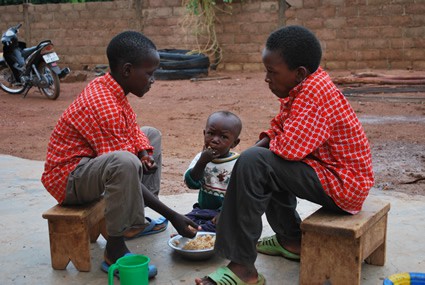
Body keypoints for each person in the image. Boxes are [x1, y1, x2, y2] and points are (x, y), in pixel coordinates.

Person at [195, 25, 374, 285]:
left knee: (258, 164)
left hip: (344, 185)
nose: (267, 79)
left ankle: (243, 269)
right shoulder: (306, 85)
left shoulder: (315, 95)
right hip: (331, 173)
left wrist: (247, 165)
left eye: (272, 72)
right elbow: (279, 128)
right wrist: (247, 162)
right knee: (257, 160)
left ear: (299, 73)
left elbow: (287, 149)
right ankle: (291, 240)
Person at [40, 31, 199, 278]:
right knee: (125, 162)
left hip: (88, 164)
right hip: (68, 179)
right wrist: (173, 215)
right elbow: (122, 167)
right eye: (149, 73)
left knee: (151, 136)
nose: (153, 80)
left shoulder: (113, 89)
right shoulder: (102, 104)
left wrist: (145, 152)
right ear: (127, 70)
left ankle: (136, 222)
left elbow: (132, 129)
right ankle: (114, 249)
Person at [184, 111, 242, 232]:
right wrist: (202, 162)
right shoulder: (201, 158)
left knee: (225, 224)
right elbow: (191, 183)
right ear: (204, 134)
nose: (215, 140)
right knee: (185, 221)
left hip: (228, 211)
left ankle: (201, 230)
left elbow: (239, 195)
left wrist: (222, 212)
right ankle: (201, 229)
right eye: (211, 133)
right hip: (203, 211)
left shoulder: (238, 163)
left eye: (224, 137)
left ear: (234, 143)